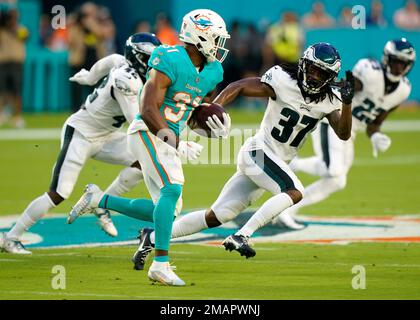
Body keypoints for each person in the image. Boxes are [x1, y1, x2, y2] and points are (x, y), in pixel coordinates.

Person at [125, 42, 354, 265]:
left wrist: (347, 104)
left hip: (274, 163)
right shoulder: (284, 80)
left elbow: (343, 134)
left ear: (330, 78)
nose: (314, 77)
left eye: (322, 74)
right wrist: (214, 107)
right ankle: (242, 235)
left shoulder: (331, 100)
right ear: (304, 64)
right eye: (312, 69)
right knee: (294, 191)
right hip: (259, 152)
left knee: (217, 215)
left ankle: (152, 237)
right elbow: (240, 86)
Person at [67, 9, 231, 286]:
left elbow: (189, 111)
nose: (218, 45)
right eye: (214, 38)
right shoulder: (169, 58)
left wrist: (212, 127)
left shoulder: (214, 71)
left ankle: (99, 200)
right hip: (146, 130)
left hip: (167, 134)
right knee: (172, 188)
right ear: (199, 35)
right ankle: (160, 264)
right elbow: (147, 108)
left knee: (169, 208)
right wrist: (177, 143)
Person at [0, 33, 162, 254]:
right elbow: (136, 122)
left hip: (107, 135)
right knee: (59, 193)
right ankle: (11, 237)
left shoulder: (120, 62)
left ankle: (102, 203)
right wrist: (169, 139)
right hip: (81, 133)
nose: (155, 64)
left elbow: (104, 63)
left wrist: (89, 77)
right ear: (139, 58)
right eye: (151, 59)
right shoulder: (127, 81)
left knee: (142, 161)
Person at [275, 38, 415, 228]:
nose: (398, 67)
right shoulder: (370, 72)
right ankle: (288, 192)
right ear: (386, 59)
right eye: (395, 61)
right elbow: (345, 89)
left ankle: (289, 202)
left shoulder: (404, 90)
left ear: (409, 66)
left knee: (337, 181)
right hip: (334, 121)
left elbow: (375, 122)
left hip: (350, 131)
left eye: (402, 63)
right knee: (334, 170)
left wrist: (375, 134)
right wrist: (347, 86)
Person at [0, 7, 28, 128]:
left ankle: (17, 117)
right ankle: (2, 114)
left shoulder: (21, 29)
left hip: (16, 62)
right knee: (2, 90)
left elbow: (24, 37)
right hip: (3, 62)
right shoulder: (1, 29)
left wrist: (12, 26)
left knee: (17, 91)